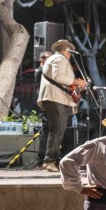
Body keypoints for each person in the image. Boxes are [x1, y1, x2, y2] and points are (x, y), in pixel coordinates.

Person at [37, 39, 87, 172]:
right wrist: (77, 81)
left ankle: (50, 160)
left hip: (56, 98)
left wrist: (77, 86)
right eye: (70, 52)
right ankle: (49, 161)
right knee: (57, 130)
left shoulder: (58, 59)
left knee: (56, 130)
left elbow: (62, 82)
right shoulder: (59, 59)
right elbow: (58, 77)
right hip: (55, 98)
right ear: (67, 51)